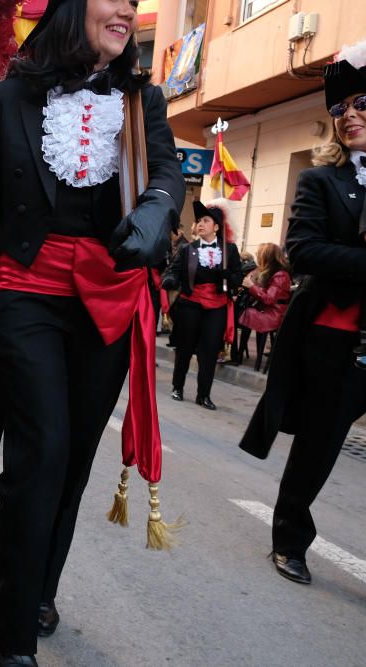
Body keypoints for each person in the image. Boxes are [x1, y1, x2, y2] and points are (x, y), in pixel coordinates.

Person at [0, 1, 185, 664]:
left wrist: (159, 208)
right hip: (24, 291)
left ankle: (38, 585)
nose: (128, 8)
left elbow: (164, 171)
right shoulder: (11, 97)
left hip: (107, 296)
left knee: (72, 461)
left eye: (134, 2)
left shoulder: (142, 99)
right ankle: (11, 622)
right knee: (40, 453)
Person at [240, 40, 366, 586]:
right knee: (318, 444)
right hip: (334, 336)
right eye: (340, 110)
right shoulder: (323, 181)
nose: (349, 117)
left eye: (361, 104)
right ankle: (291, 538)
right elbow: (305, 250)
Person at [161, 199, 243, 409]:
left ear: (216, 226)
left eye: (205, 220)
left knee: (209, 352)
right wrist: (170, 280)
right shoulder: (189, 249)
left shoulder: (229, 250)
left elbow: (237, 279)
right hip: (191, 305)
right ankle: (177, 387)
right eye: (198, 220)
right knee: (185, 348)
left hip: (216, 307)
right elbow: (174, 271)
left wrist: (229, 277)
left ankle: (203, 395)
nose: (200, 224)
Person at [238, 243, 290, 372]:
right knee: (244, 311)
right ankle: (237, 354)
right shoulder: (275, 273)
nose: (257, 256)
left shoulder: (280, 275)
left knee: (242, 312)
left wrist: (251, 286)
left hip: (273, 315)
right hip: (270, 311)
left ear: (267, 257)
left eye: (259, 254)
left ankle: (236, 354)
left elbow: (269, 299)